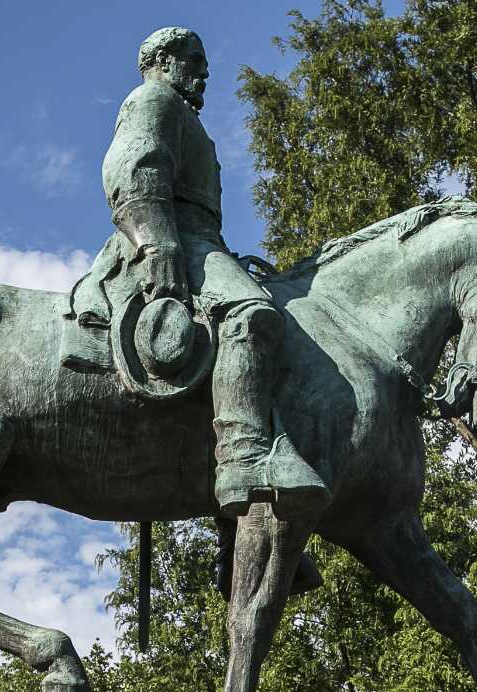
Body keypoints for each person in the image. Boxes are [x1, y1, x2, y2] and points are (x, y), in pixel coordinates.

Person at [104, 26, 325, 516]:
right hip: (174, 240)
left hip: (203, 242)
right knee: (252, 314)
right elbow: (133, 168)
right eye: (194, 60)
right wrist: (157, 242)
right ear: (164, 60)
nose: (204, 72)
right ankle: (244, 458)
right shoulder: (152, 101)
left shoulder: (184, 116)